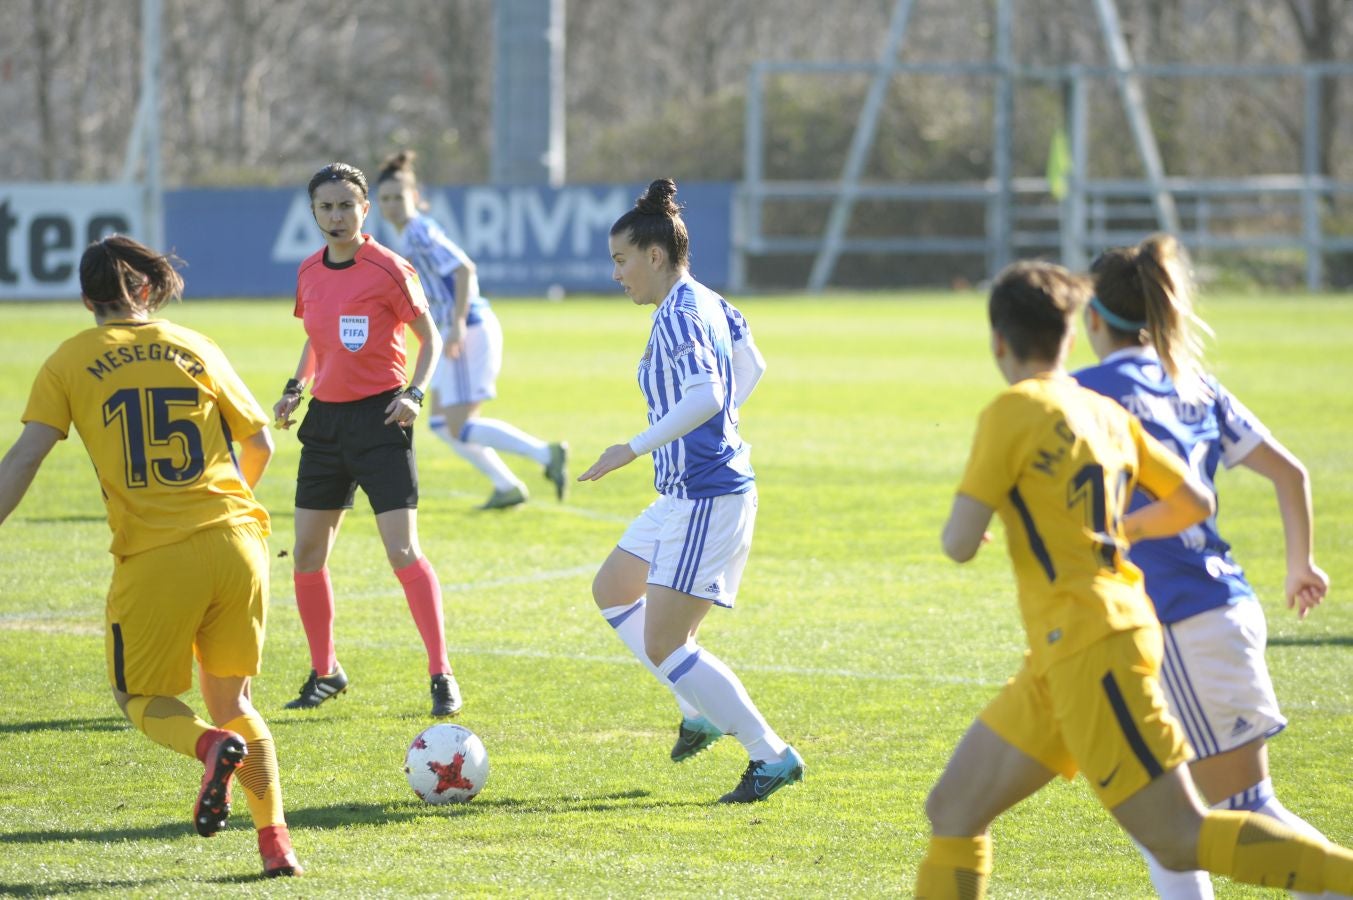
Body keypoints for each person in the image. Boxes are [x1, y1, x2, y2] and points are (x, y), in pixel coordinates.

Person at [915, 260, 1353, 898]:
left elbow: (958, 544)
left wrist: (1003, 518)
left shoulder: (1012, 409)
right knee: (953, 810)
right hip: (1068, 650)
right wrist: (1115, 531)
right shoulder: (1103, 411)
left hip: (1092, 644)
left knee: (1178, 836)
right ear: (1070, 335)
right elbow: (1195, 500)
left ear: (999, 342)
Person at [0, 235, 301, 877]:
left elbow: (25, 458)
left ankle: (209, 746)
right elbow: (261, 446)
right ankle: (276, 846)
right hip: (238, 542)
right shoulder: (195, 344)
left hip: (158, 555)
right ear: (145, 289)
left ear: (87, 300)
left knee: (139, 698)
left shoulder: (68, 360)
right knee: (236, 702)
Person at [1074, 234, 1335, 900]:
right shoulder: (1194, 386)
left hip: (1183, 618)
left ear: (1093, 317)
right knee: (1166, 824)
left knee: (1246, 810)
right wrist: (1299, 564)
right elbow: (1291, 474)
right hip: (1208, 610)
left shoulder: (1084, 393)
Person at [578, 178, 802, 804]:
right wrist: (720, 423)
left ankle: (770, 755)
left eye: (621, 260)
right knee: (613, 589)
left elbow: (706, 395)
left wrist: (633, 447)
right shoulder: (709, 300)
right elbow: (752, 365)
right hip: (685, 492)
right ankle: (695, 708)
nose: (616, 274)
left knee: (666, 643)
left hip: (707, 494)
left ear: (654, 256)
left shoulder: (679, 315)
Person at [272, 162, 462, 718]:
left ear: (364, 210)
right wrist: (295, 389)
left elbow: (430, 338)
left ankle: (442, 673)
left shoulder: (390, 268)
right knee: (307, 554)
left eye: (345, 206)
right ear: (314, 212)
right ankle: (326, 671)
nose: (336, 216)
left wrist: (415, 394)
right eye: (325, 207)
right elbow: (317, 340)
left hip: (382, 421)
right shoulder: (309, 270)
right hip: (326, 425)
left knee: (402, 551)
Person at [375, 150, 568, 510]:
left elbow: (464, 269)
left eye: (398, 197)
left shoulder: (418, 232)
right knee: (439, 422)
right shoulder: (409, 236)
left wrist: (458, 323)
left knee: (459, 425)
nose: (391, 205)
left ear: (414, 196)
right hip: (454, 329)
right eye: (385, 199)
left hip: (467, 330)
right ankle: (507, 486)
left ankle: (546, 454)